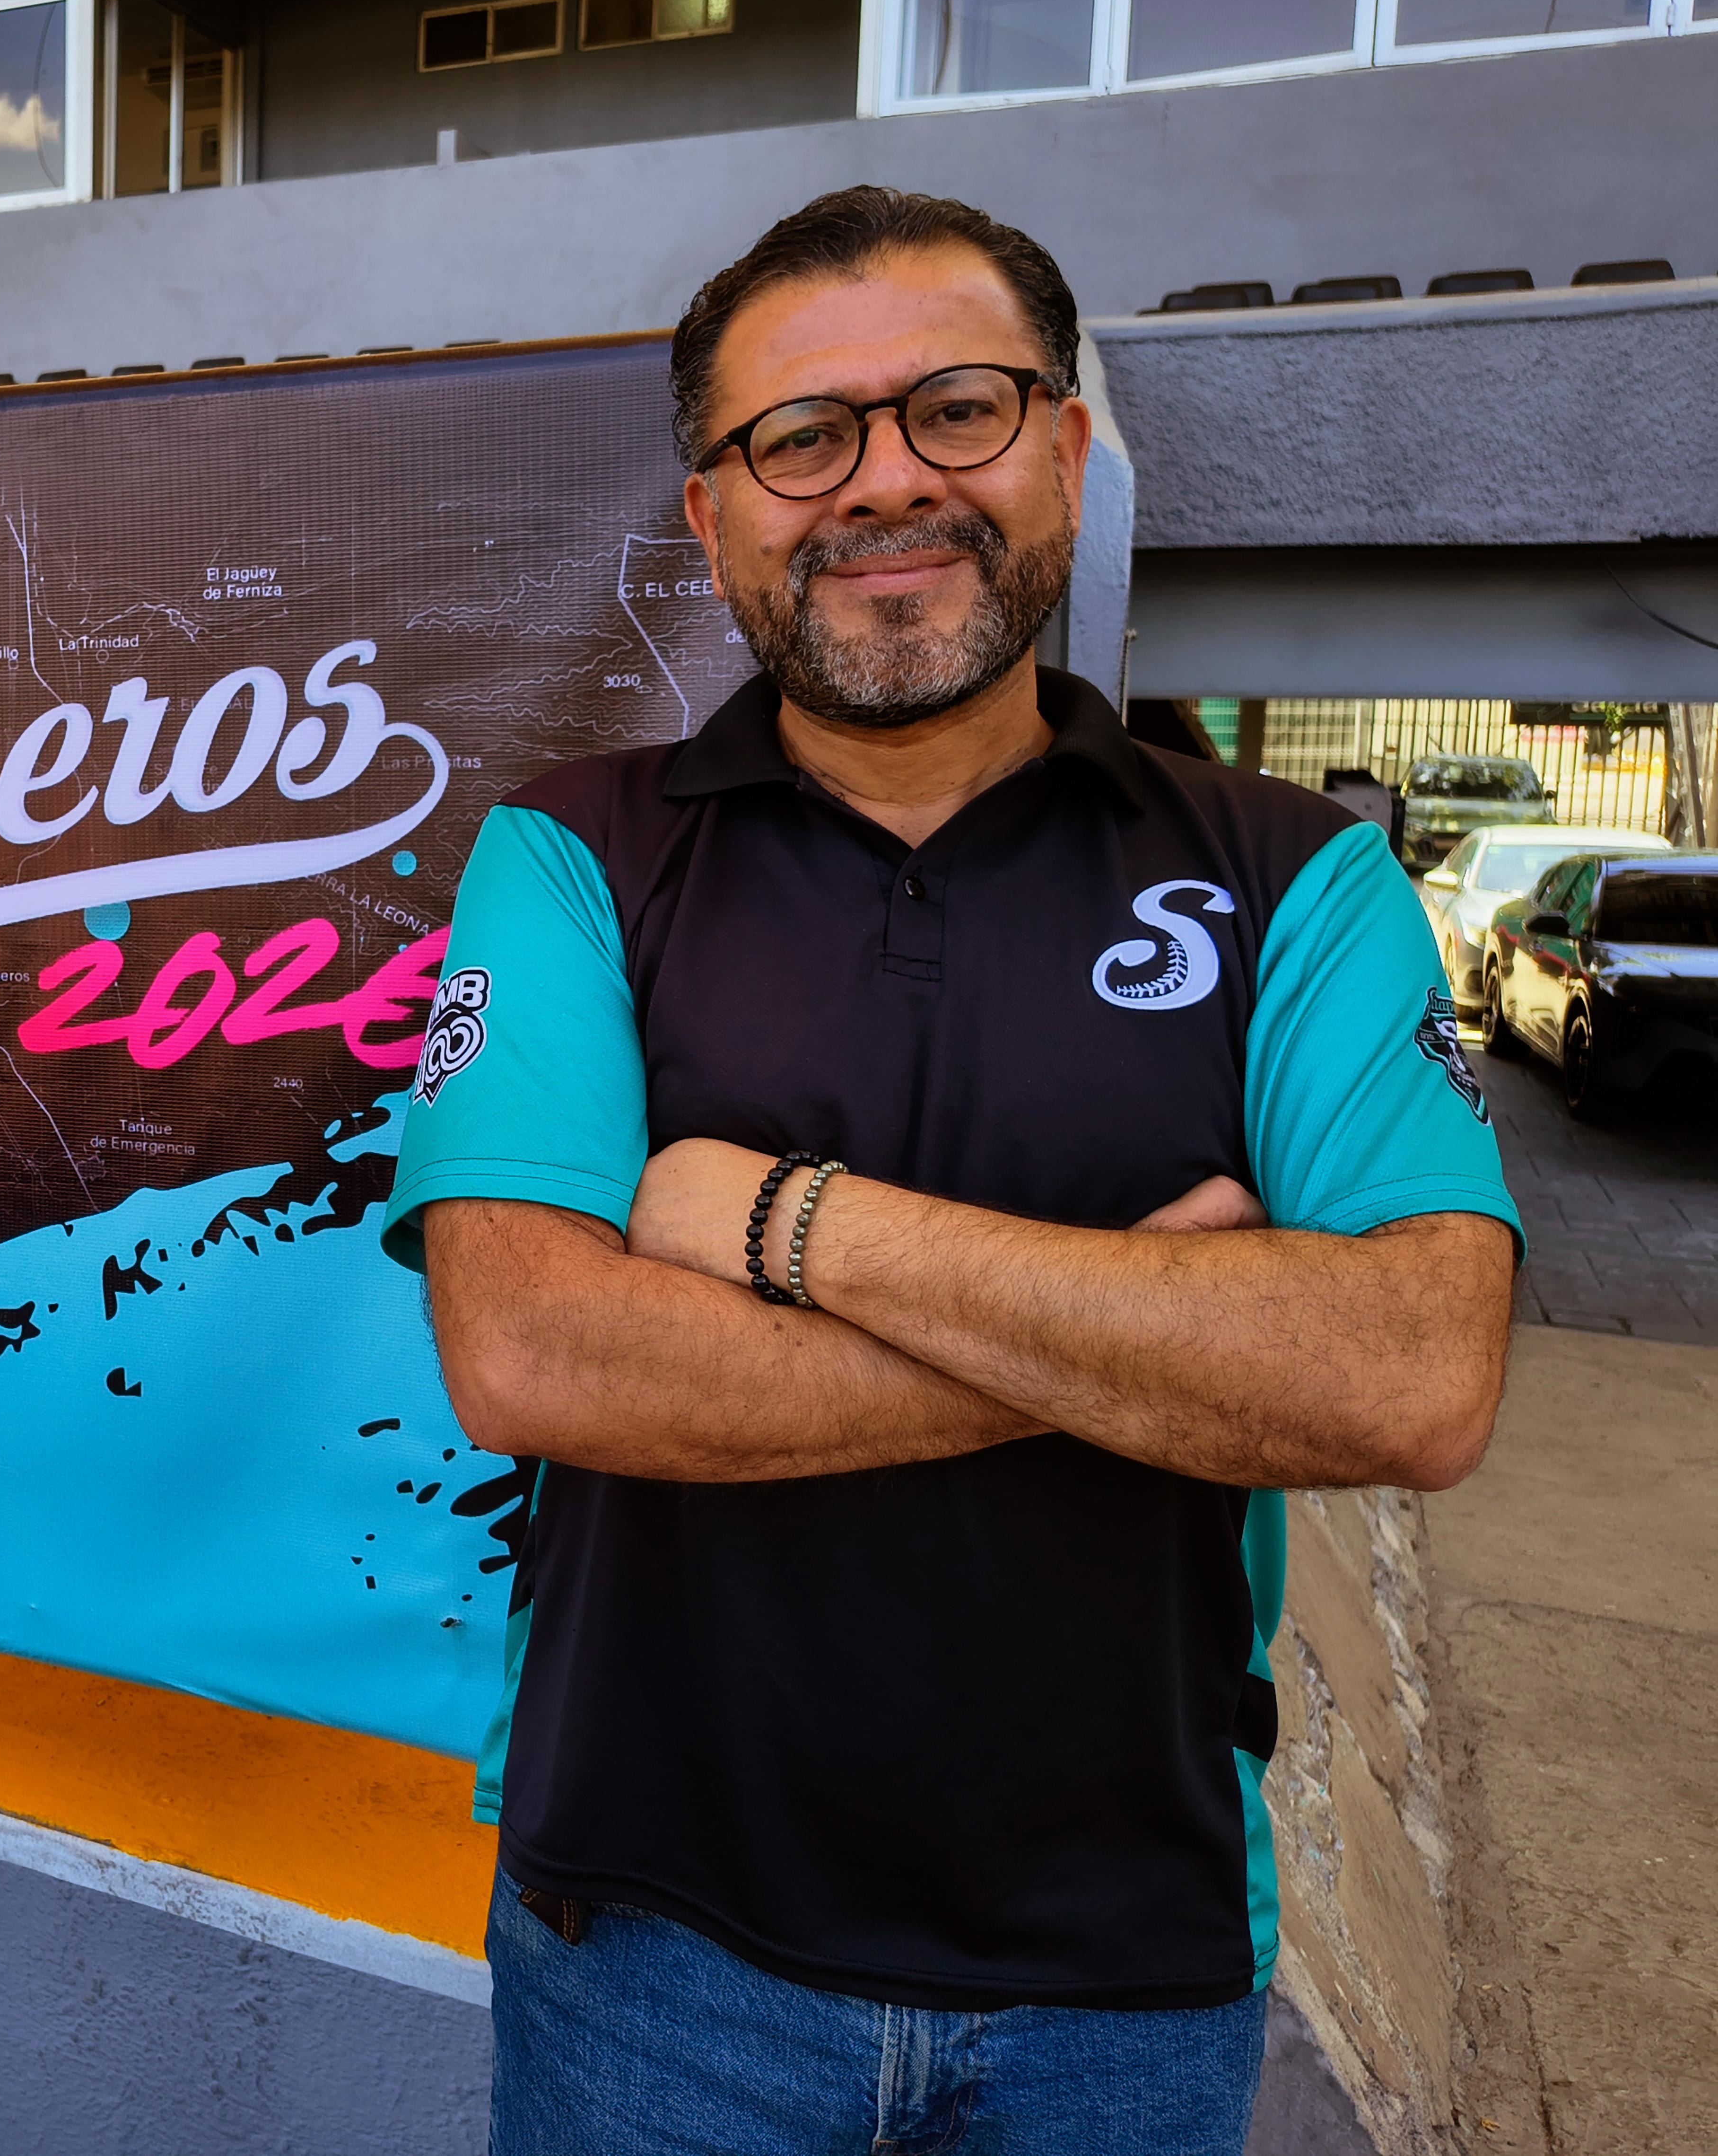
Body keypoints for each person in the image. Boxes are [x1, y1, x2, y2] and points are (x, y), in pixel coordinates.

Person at [382, 186, 1518, 2154]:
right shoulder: (574, 851)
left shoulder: (1294, 879)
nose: (887, 481)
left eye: (958, 410)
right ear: (713, 518)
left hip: (1126, 1978)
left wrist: (783, 1221)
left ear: (1064, 451)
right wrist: (1155, 1329)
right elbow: (533, 1355)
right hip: (649, 1946)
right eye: (803, 438)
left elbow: (1413, 1377)